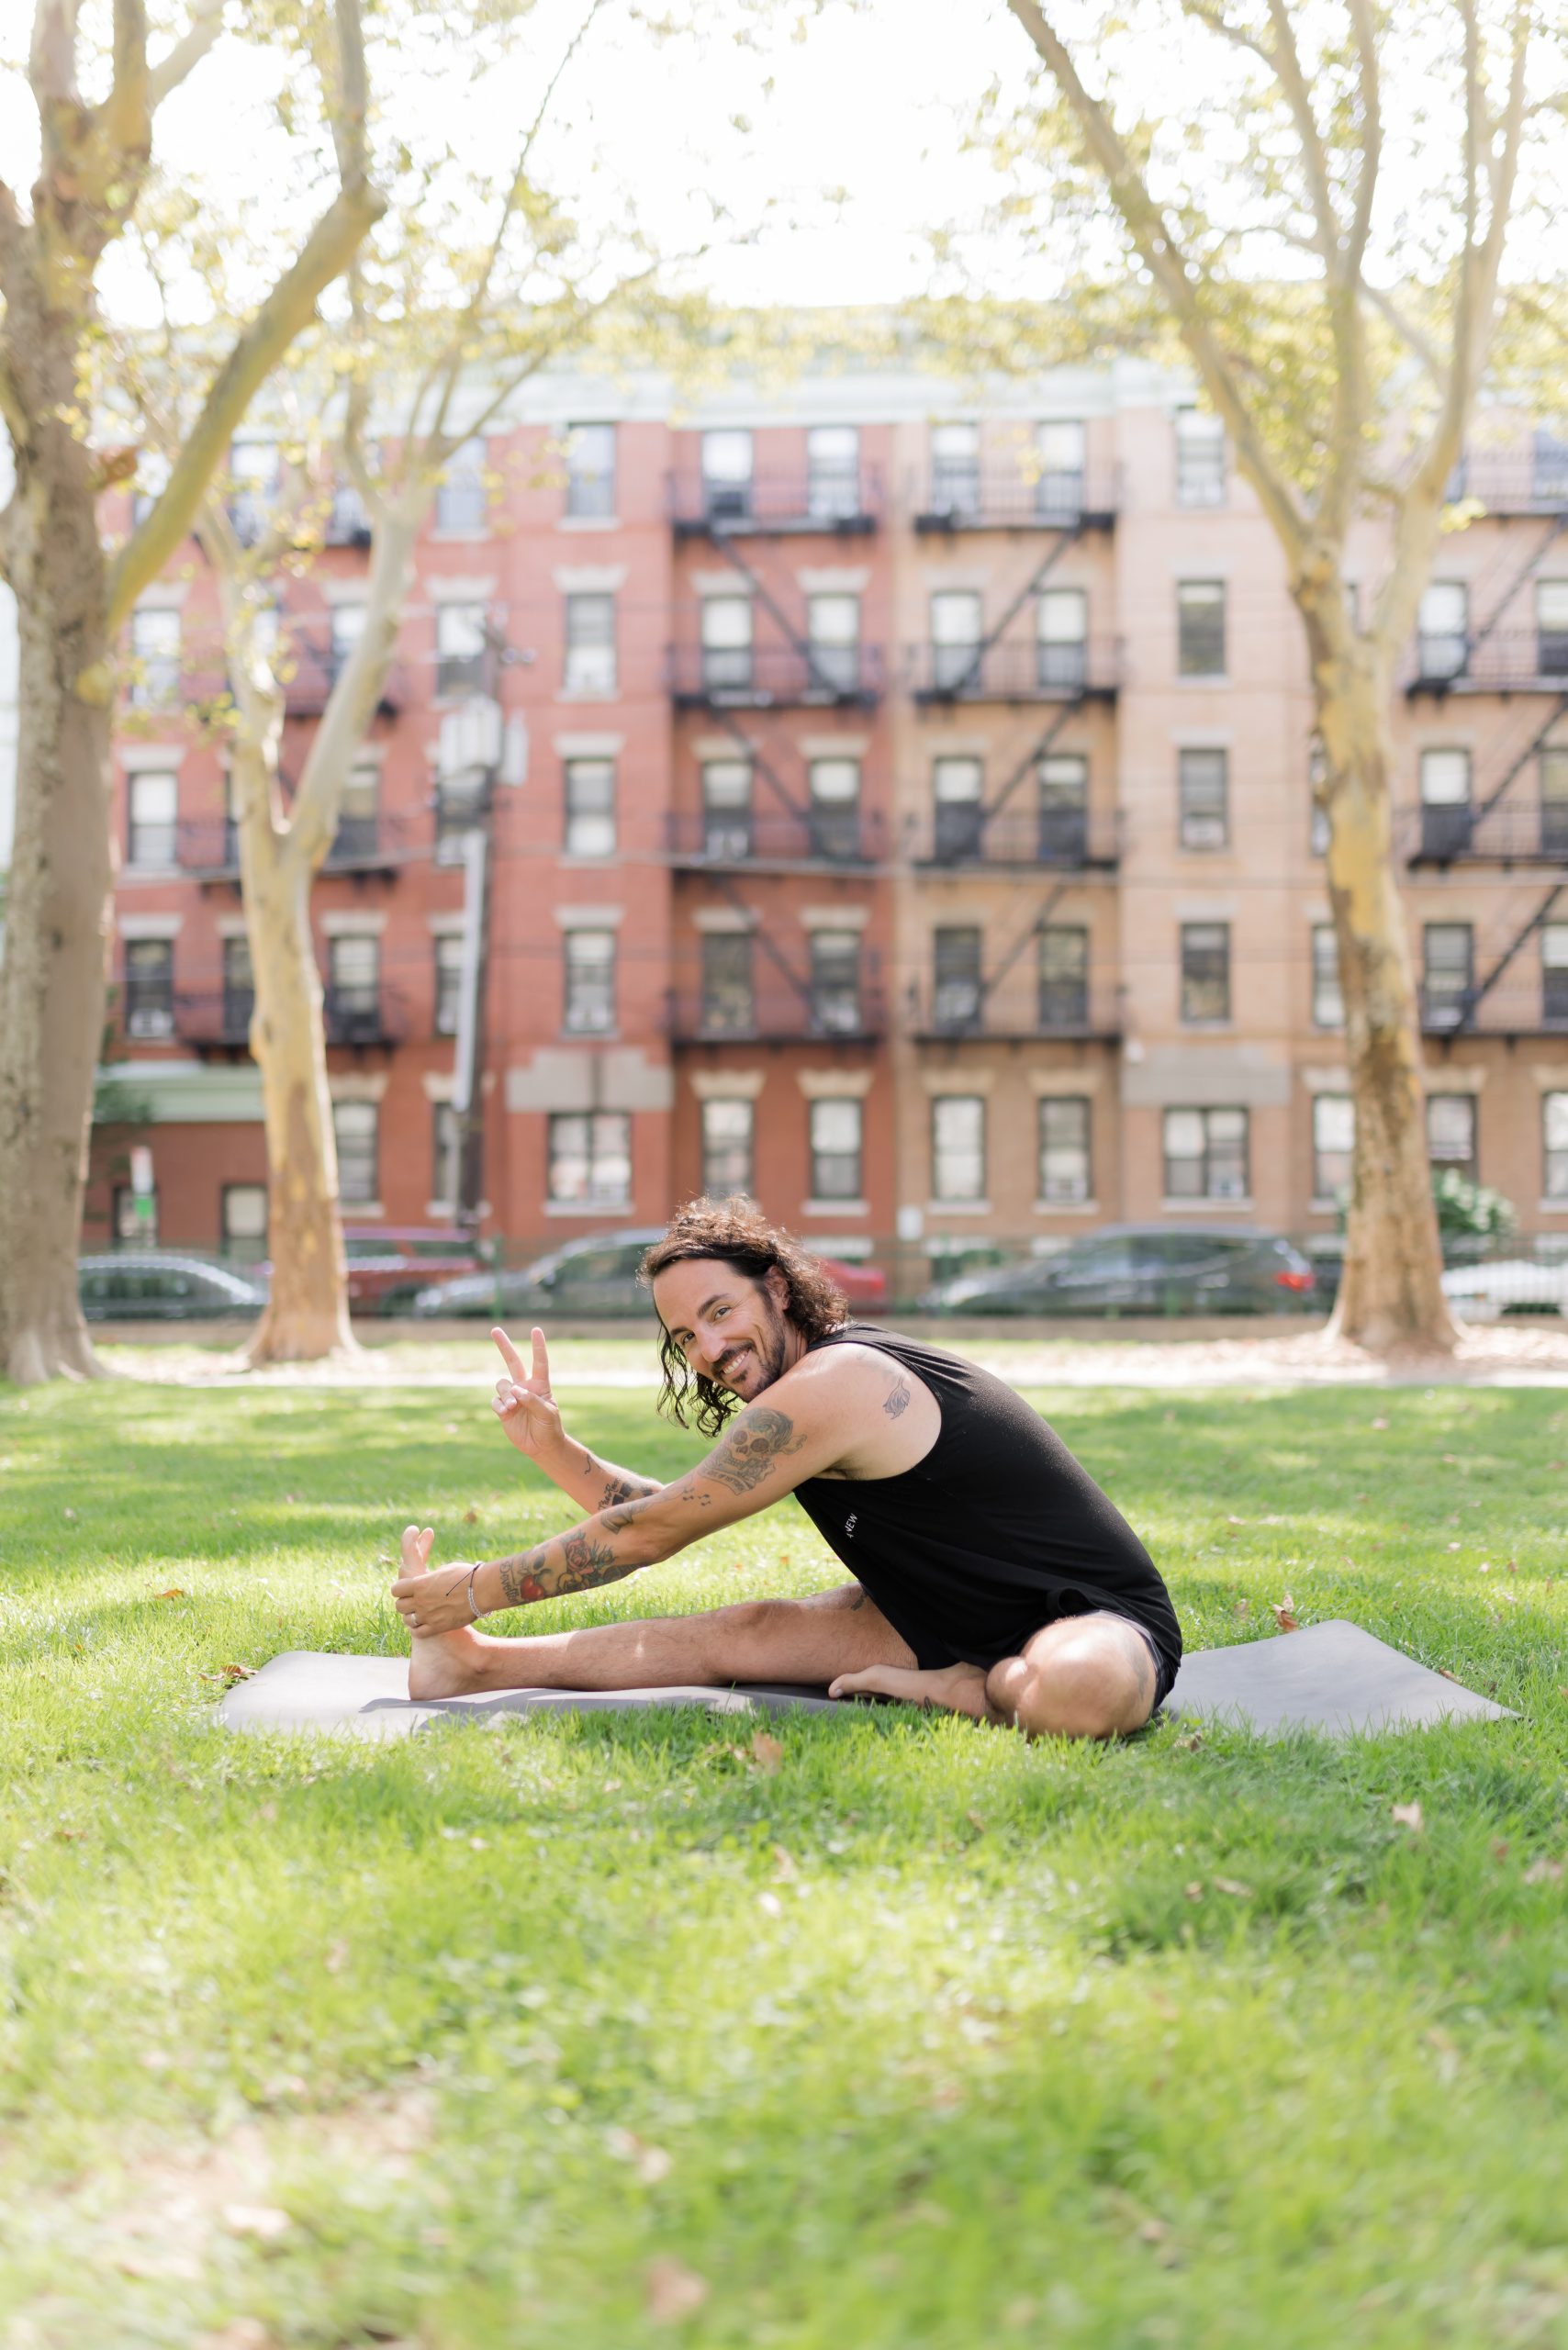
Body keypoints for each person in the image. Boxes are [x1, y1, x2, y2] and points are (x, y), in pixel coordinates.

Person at [391, 1198, 1182, 1738]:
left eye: (718, 1312)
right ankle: (472, 1664)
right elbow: (674, 1510)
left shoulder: (839, 1383)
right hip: (935, 1614)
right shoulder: (794, 1394)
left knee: (1080, 1692)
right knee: (745, 1630)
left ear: (776, 1289)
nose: (706, 1350)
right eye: (684, 1339)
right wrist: (553, 1450)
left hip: (1093, 1618)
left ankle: (971, 1689)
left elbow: (653, 1532)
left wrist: (474, 1587)